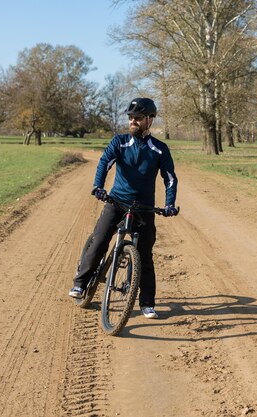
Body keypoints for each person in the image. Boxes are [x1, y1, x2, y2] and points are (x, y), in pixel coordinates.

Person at [68, 97, 178, 319]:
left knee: (145, 255)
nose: (132, 121)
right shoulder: (119, 142)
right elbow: (104, 163)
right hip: (117, 202)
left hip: (145, 208)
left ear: (149, 120)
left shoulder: (160, 149)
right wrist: (98, 186)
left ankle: (147, 303)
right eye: (130, 118)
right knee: (99, 240)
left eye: (137, 118)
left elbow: (170, 178)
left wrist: (169, 204)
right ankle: (81, 283)